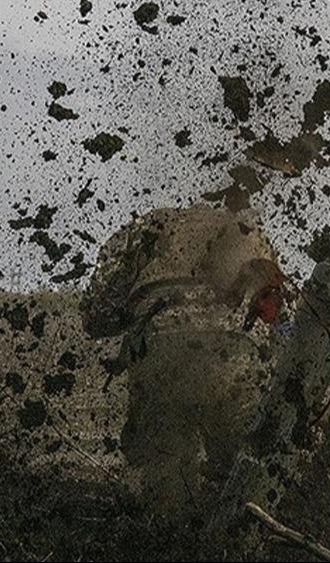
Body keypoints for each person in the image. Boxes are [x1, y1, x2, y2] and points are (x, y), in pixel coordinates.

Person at [81, 205, 288, 519]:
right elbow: (282, 316)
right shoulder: (246, 227)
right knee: (248, 467)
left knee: (164, 476)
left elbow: (97, 313)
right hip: (237, 350)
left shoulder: (150, 226)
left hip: (162, 343)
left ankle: (171, 535)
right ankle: (250, 536)